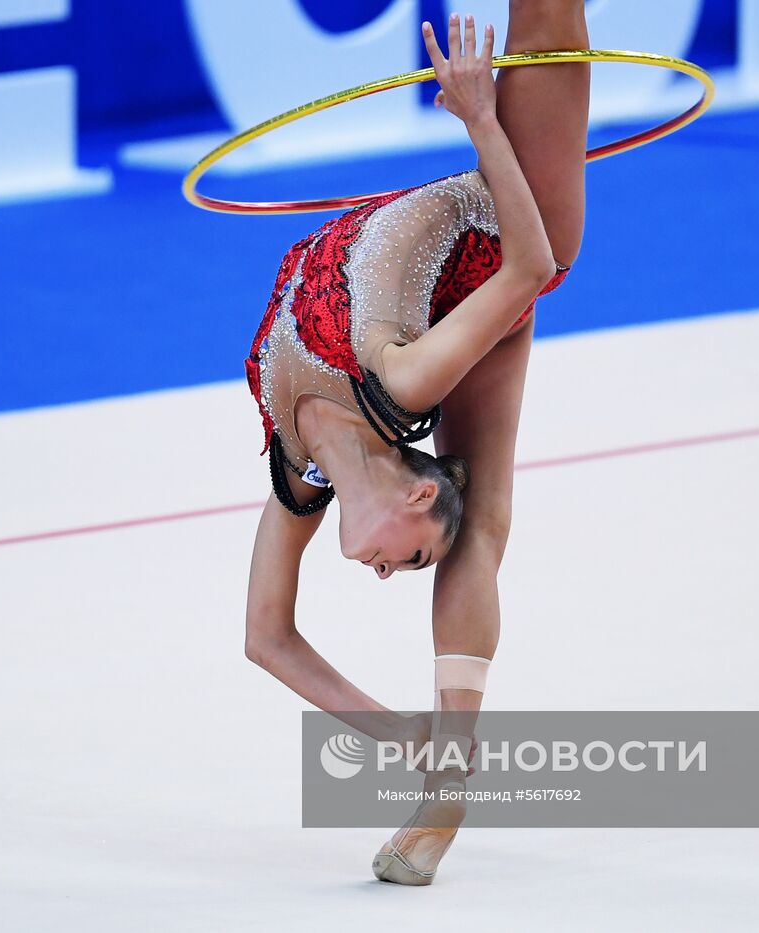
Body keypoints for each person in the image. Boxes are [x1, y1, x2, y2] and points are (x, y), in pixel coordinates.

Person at [243, 2, 590, 884]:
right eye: (414, 558)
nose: (389, 574)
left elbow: (265, 638)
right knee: (548, 19)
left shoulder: (298, 470)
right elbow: (529, 268)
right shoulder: (400, 385)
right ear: (416, 493)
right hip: (510, 233)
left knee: (485, 523)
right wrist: (481, 121)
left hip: (451, 302)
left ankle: (444, 782)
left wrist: (398, 734)